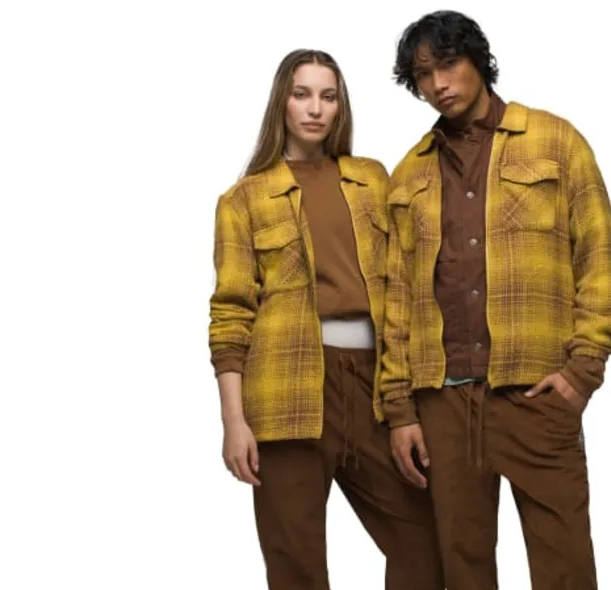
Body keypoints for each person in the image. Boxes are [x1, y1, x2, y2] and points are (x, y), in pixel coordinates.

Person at [380, 11, 611, 589]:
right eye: (423, 75)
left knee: (564, 563)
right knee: (461, 565)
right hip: (442, 399)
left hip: (535, 392)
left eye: (448, 64)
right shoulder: (408, 173)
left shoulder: (555, 141)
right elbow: (396, 298)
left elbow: (599, 254)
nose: (438, 84)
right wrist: (401, 409)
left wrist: (583, 370)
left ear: (477, 61)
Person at [208, 48, 443, 590]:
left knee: (425, 541)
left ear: (341, 107)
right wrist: (234, 420)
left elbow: (406, 283)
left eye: (328, 96)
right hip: (284, 390)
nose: (315, 108)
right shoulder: (243, 200)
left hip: (373, 385)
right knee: (296, 565)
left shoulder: (371, 180)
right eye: (302, 94)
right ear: (282, 103)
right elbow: (231, 314)